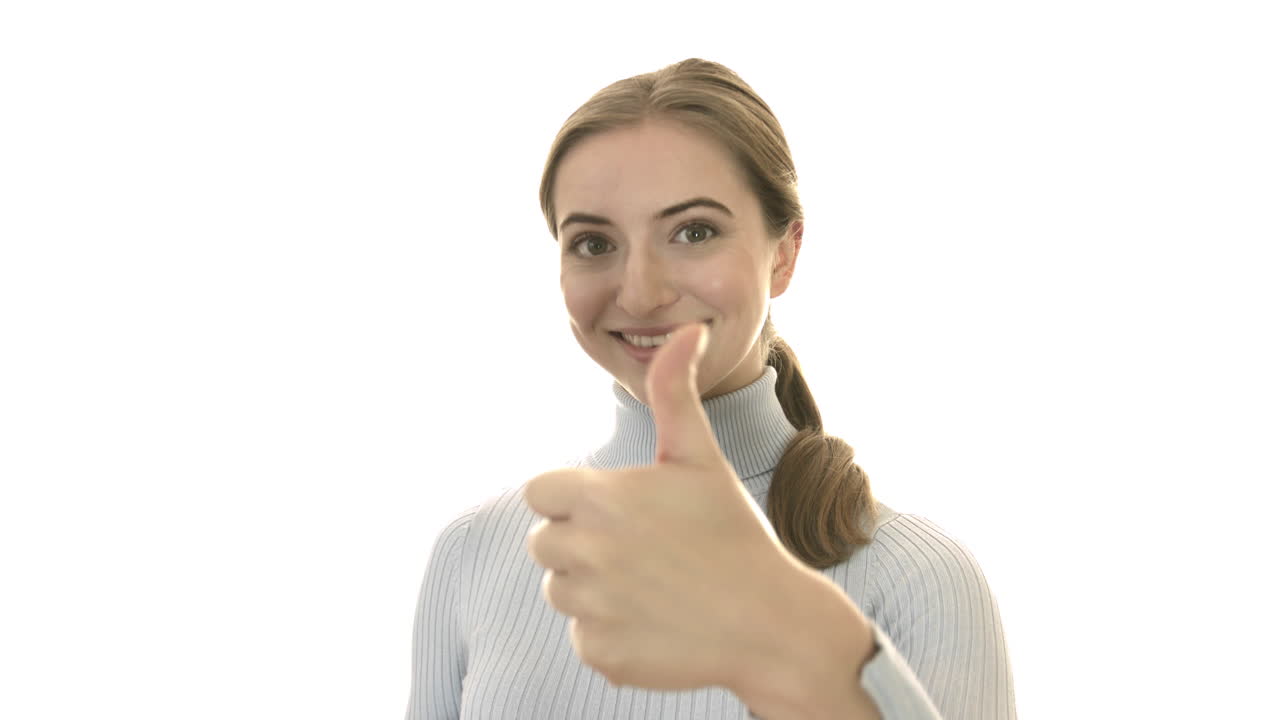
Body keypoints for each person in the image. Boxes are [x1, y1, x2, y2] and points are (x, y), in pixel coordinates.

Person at [405, 58, 1015, 719]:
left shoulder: (920, 581)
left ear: (784, 253)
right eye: (592, 242)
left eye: (695, 232)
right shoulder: (472, 554)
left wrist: (805, 650)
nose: (640, 293)